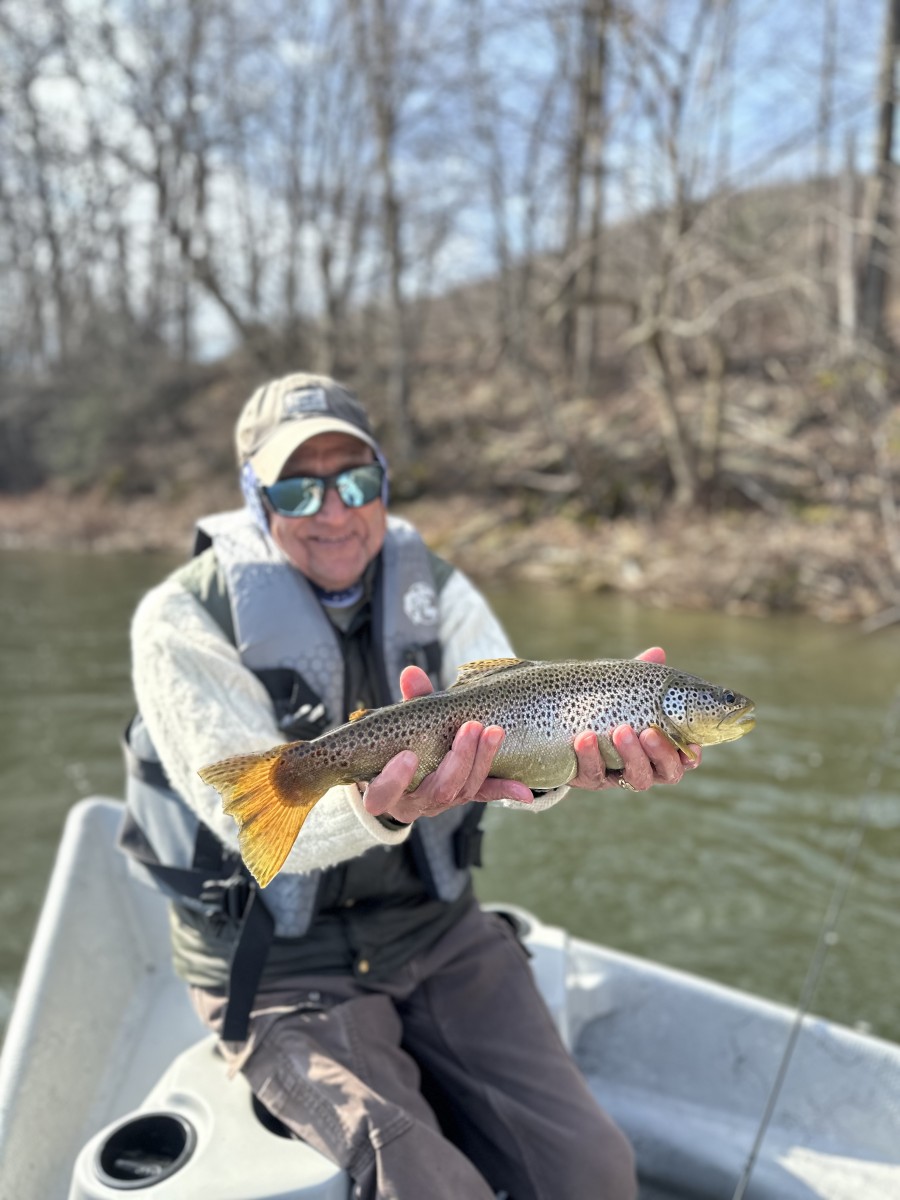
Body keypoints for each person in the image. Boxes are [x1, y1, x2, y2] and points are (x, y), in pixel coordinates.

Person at [125, 371, 701, 1200]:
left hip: (436, 931)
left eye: (356, 481)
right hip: (282, 966)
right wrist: (369, 804)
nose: (334, 510)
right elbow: (238, 820)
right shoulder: (182, 620)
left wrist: (574, 769)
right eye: (298, 488)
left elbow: (520, 742)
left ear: (383, 486)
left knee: (596, 1172)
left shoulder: (441, 587)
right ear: (256, 499)